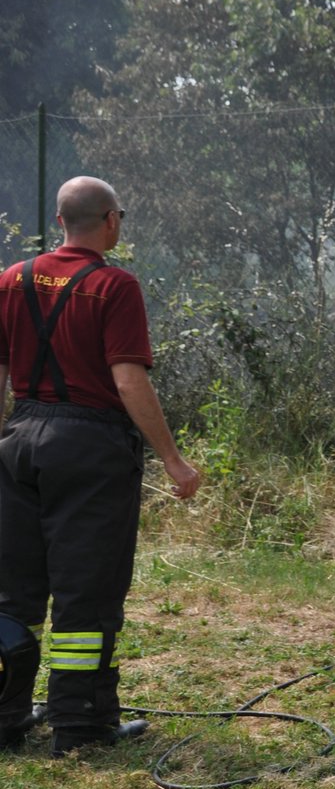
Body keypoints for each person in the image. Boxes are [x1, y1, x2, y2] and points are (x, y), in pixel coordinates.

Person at [0, 176, 201, 758]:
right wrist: (173, 459)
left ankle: (6, 713)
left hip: (19, 440)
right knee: (86, 593)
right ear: (110, 220)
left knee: (12, 591)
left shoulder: (11, 280)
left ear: (61, 221)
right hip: (88, 448)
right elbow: (127, 378)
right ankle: (79, 724)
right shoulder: (114, 286)